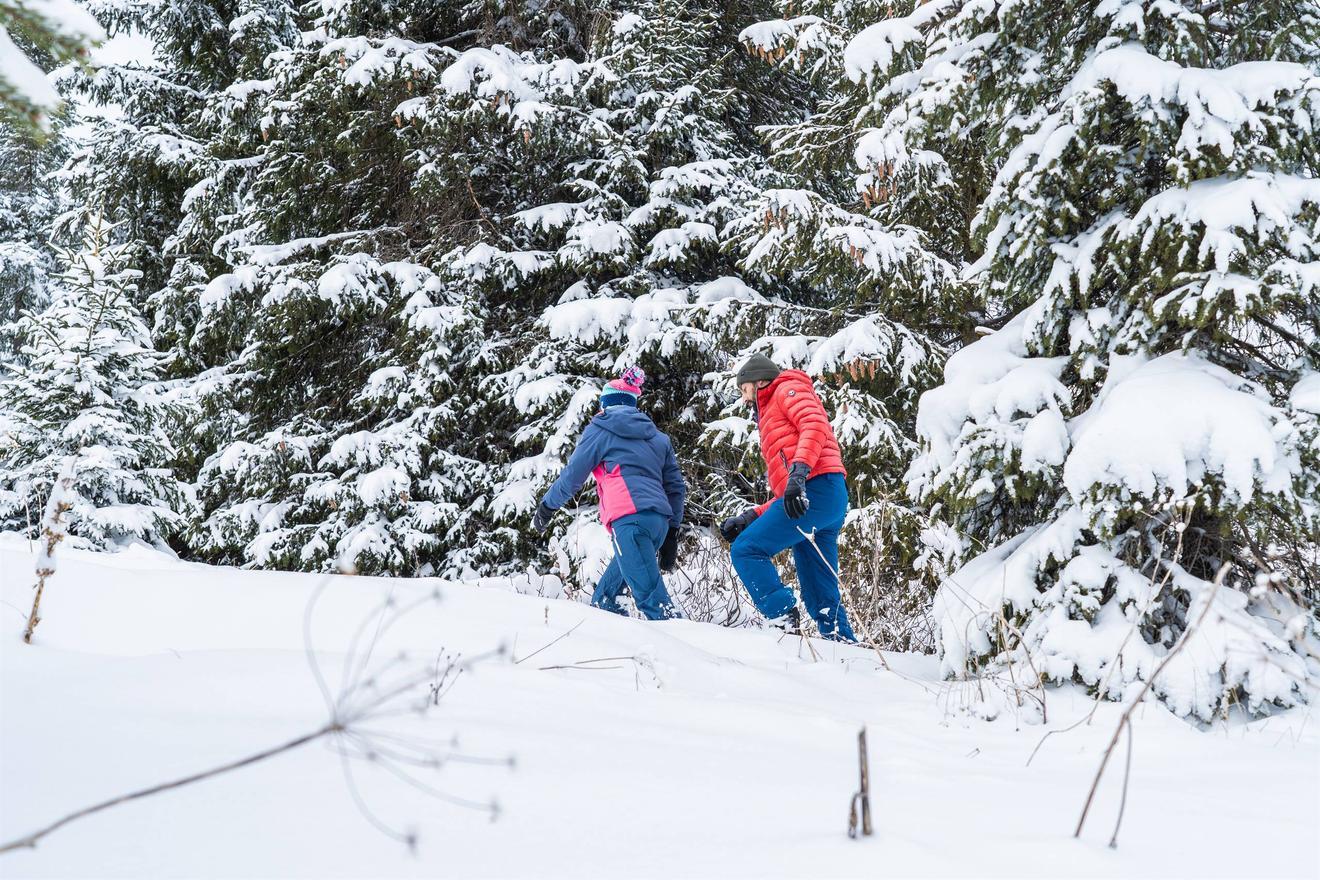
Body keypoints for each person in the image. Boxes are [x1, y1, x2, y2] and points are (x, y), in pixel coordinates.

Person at [720, 353, 857, 642]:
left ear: (758, 382)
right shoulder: (772, 410)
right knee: (818, 587)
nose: (744, 398)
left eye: (744, 389)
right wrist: (750, 516)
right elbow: (788, 495)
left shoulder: (786, 389)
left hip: (817, 488)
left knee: (746, 549)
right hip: (822, 495)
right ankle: (843, 646)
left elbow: (815, 424)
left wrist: (799, 472)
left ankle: (781, 617)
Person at [532, 366, 686, 620]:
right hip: (657, 522)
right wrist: (671, 532)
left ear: (605, 404)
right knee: (606, 600)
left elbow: (573, 476)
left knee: (655, 604)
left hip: (630, 521)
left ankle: (691, 643)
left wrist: (547, 506)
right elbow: (676, 488)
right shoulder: (659, 438)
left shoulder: (601, 430)